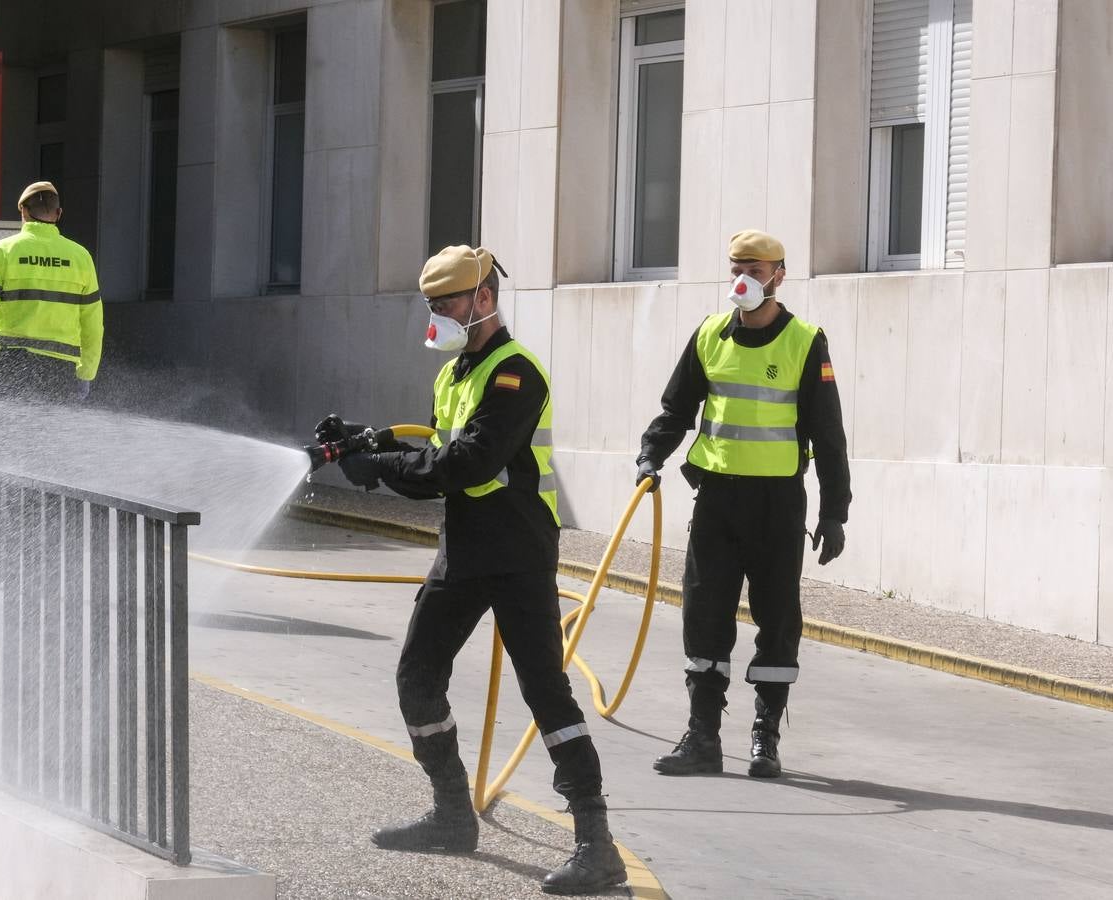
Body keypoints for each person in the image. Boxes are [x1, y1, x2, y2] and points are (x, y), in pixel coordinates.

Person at [331, 245, 627, 895]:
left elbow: (466, 464)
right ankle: (450, 814)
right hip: (463, 551)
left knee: (546, 693)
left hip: (517, 554)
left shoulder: (515, 374)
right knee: (417, 677)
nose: (435, 315)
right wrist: (367, 443)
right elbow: (438, 460)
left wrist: (378, 469)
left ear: (483, 299)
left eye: (447, 303)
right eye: (430, 304)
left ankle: (596, 845)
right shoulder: (455, 375)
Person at [634, 229, 851, 780]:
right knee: (704, 615)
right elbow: (676, 408)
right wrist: (651, 456)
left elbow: (829, 435)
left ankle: (765, 737)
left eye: (755, 269)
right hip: (718, 500)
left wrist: (834, 512)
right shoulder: (710, 334)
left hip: (778, 506)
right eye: (736, 267)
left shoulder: (804, 341)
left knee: (777, 619)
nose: (744, 278)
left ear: (780, 274)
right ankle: (702, 736)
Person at [0, 181, 102, 403]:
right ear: (59, 213)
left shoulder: (2, 252)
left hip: (9, 366)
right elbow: (93, 323)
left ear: (23, 211)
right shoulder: (81, 257)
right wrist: (86, 373)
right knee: (53, 436)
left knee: (6, 435)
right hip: (61, 370)